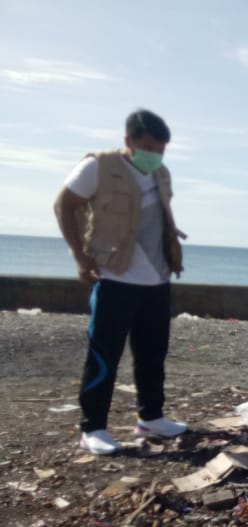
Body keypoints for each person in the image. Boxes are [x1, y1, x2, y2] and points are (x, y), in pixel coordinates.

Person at [54, 109, 188, 456]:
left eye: (160, 149)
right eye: (147, 147)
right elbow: (64, 205)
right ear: (128, 141)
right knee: (104, 355)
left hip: (157, 281)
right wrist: (80, 257)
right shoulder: (98, 167)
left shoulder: (161, 173)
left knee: (152, 354)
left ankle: (151, 417)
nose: (154, 155)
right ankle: (93, 428)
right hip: (115, 277)